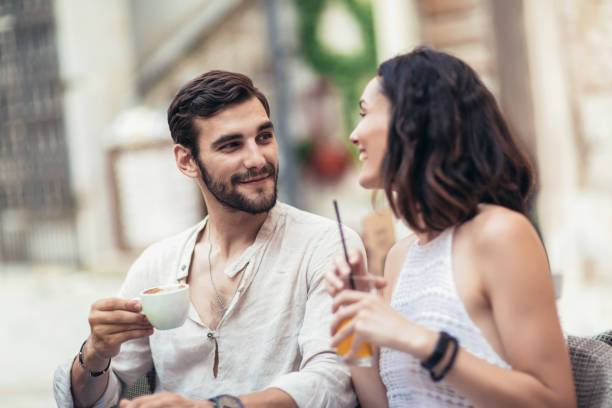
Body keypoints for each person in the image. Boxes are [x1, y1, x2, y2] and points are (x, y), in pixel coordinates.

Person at [53, 70, 363, 408]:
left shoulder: (327, 245)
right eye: (231, 145)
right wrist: (95, 353)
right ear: (186, 161)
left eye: (264, 137)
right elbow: (93, 400)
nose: (257, 158)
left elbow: (333, 383)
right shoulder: (157, 265)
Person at [325, 47, 577, 408]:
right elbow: (385, 403)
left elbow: (555, 401)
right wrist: (355, 326)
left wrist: (420, 340)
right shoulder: (399, 258)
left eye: (365, 113)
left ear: (412, 122)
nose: (353, 134)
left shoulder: (501, 234)